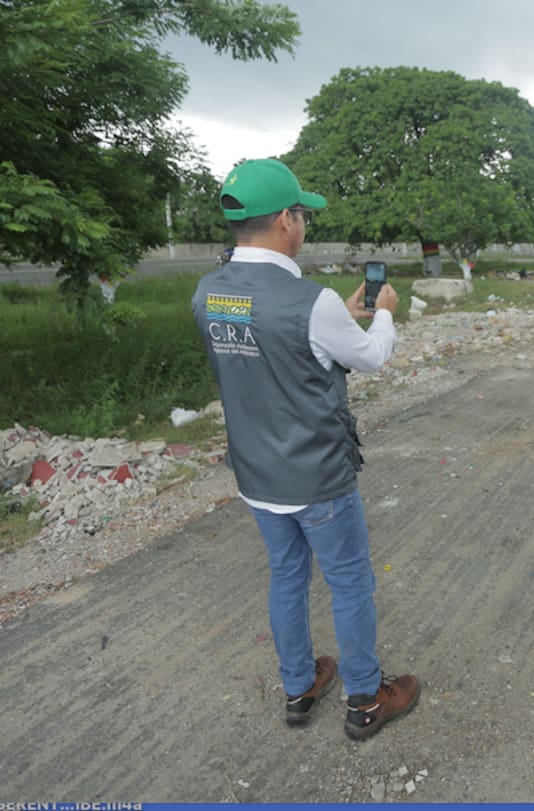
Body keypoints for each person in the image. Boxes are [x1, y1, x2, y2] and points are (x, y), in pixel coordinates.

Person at [191, 158, 419, 740]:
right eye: (303, 214)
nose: (305, 225)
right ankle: (366, 699)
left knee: (286, 577)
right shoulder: (308, 300)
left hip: (256, 475)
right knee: (348, 583)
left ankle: (300, 686)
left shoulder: (209, 291)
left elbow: (266, 348)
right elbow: (367, 356)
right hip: (316, 478)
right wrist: (383, 316)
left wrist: (337, 317)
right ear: (286, 220)